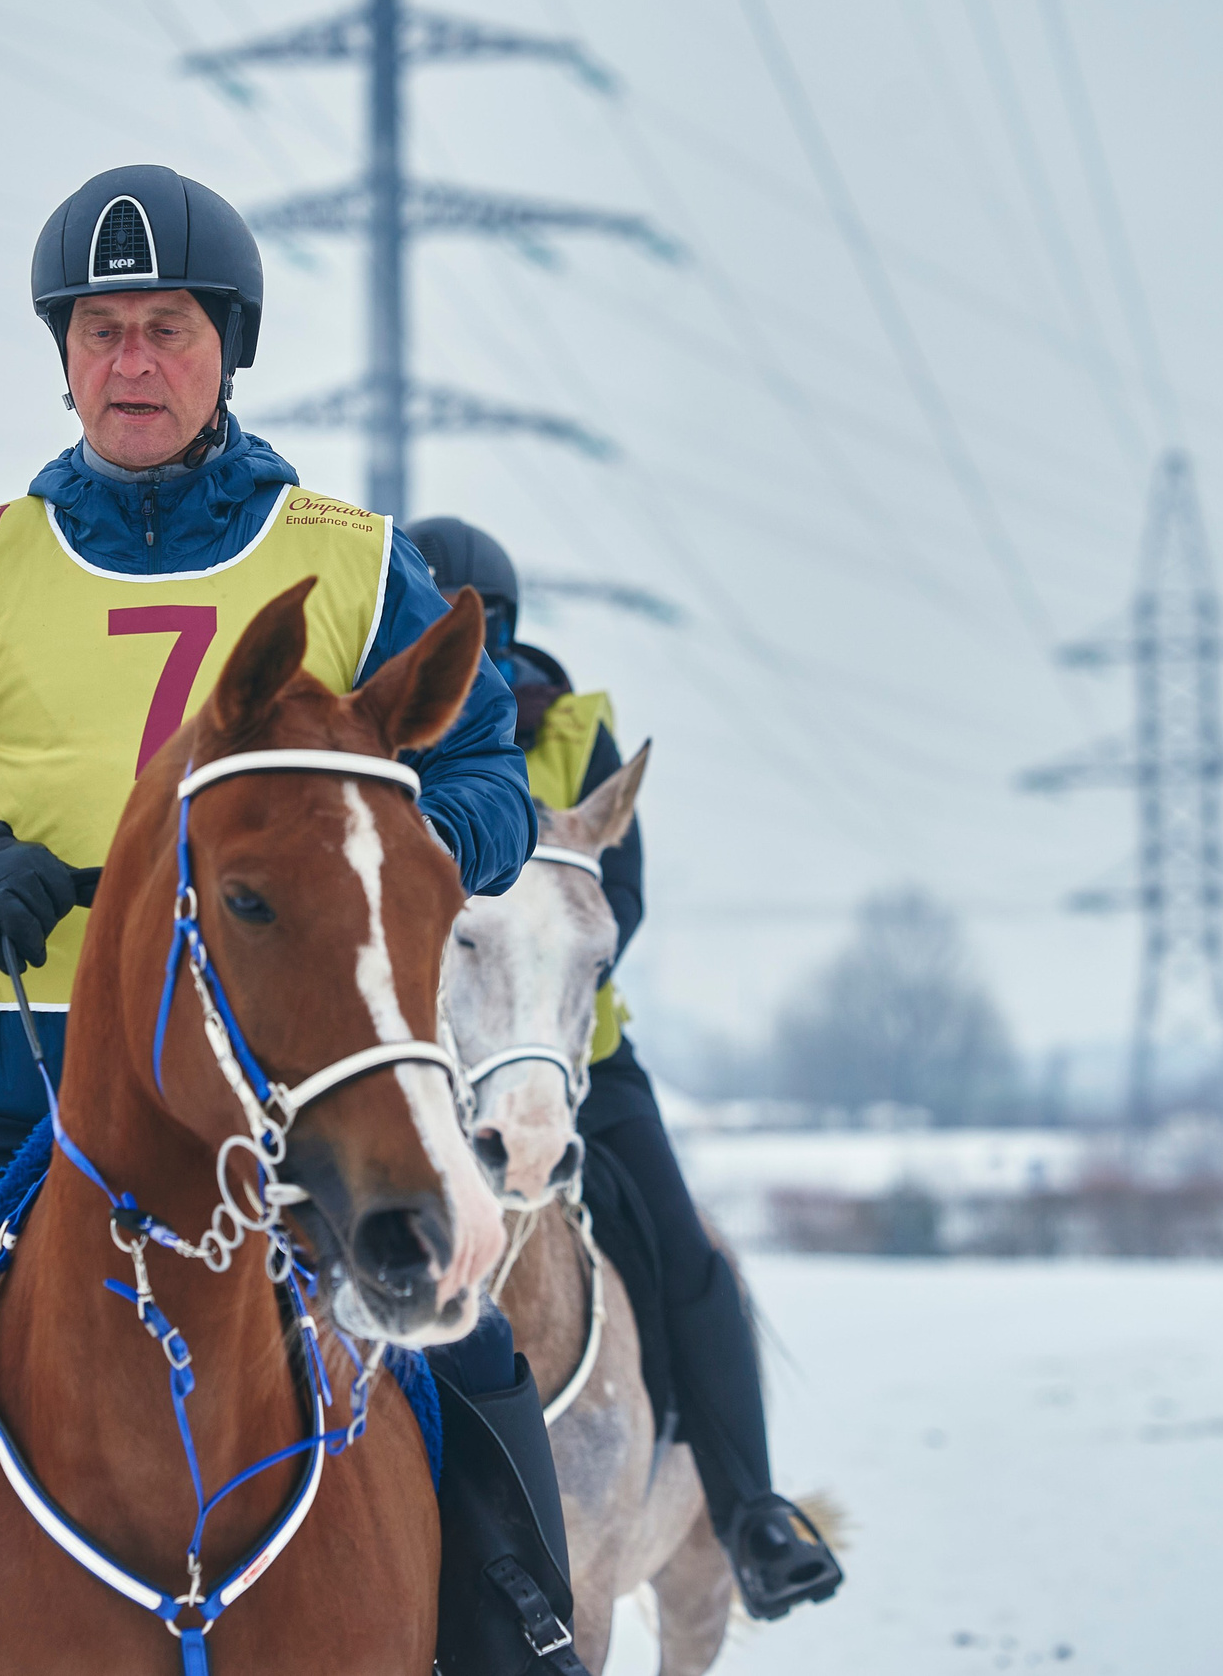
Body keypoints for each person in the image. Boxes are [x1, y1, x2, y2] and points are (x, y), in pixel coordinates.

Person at [0, 165, 591, 1676]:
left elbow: (475, 773)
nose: (134, 360)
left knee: (475, 1345)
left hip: (295, 1085)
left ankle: (528, 1637)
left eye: (168, 328)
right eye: (103, 329)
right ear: (63, 355)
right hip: (27, 1082)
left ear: (227, 351)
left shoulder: (349, 555)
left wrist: (382, 856)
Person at [407, 515, 846, 1623]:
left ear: (509, 632)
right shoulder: (375, 732)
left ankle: (749, 1512)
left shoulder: (576, 737)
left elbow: (625, 896)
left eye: (484, 627)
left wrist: (541, 998)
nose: (465, 645)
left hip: (565, 1052)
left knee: (684, 1255)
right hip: (405, 1053)